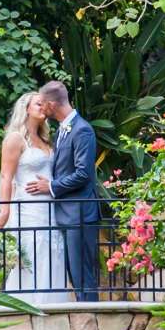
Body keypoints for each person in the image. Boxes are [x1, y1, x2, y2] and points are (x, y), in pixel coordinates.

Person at [27, 79, 102, 303]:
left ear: (51, 104)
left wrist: (49, 186)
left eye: (43, 103)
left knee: (82, 275)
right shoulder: (62, 130)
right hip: (67, 214)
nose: (41, 108)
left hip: (79, 214)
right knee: (74, 273)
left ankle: (92, 321)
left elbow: (83, 174)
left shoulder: (82, 130)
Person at [0, 90, 71, 304]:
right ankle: (27, 306)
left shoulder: (46, 140)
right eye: (38, 103)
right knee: (32, 253)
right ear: (25, 108)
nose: (43, 107)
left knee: (52, 251)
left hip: (49, 208)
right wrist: (5, 211)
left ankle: (53, 307)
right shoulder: (15, 139)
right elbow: (5, 177)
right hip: (28, 208)